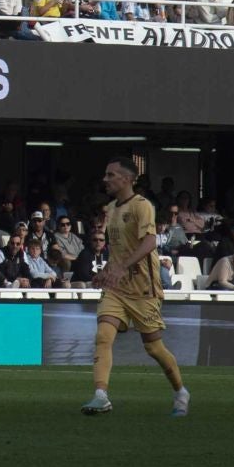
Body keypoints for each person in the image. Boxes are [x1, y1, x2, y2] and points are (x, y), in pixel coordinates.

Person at [78, 152, 190, 417]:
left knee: (153, 347)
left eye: (111, 175)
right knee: (103, 336)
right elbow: (118, 249)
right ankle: (101, 395)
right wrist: (106, 271)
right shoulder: (110, 209)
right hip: (116, 287)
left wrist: (121, 267)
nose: (105, 179)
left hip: (142, 288)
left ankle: (181, 392)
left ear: (128, 178)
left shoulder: (142, 206)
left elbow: (150, 242)